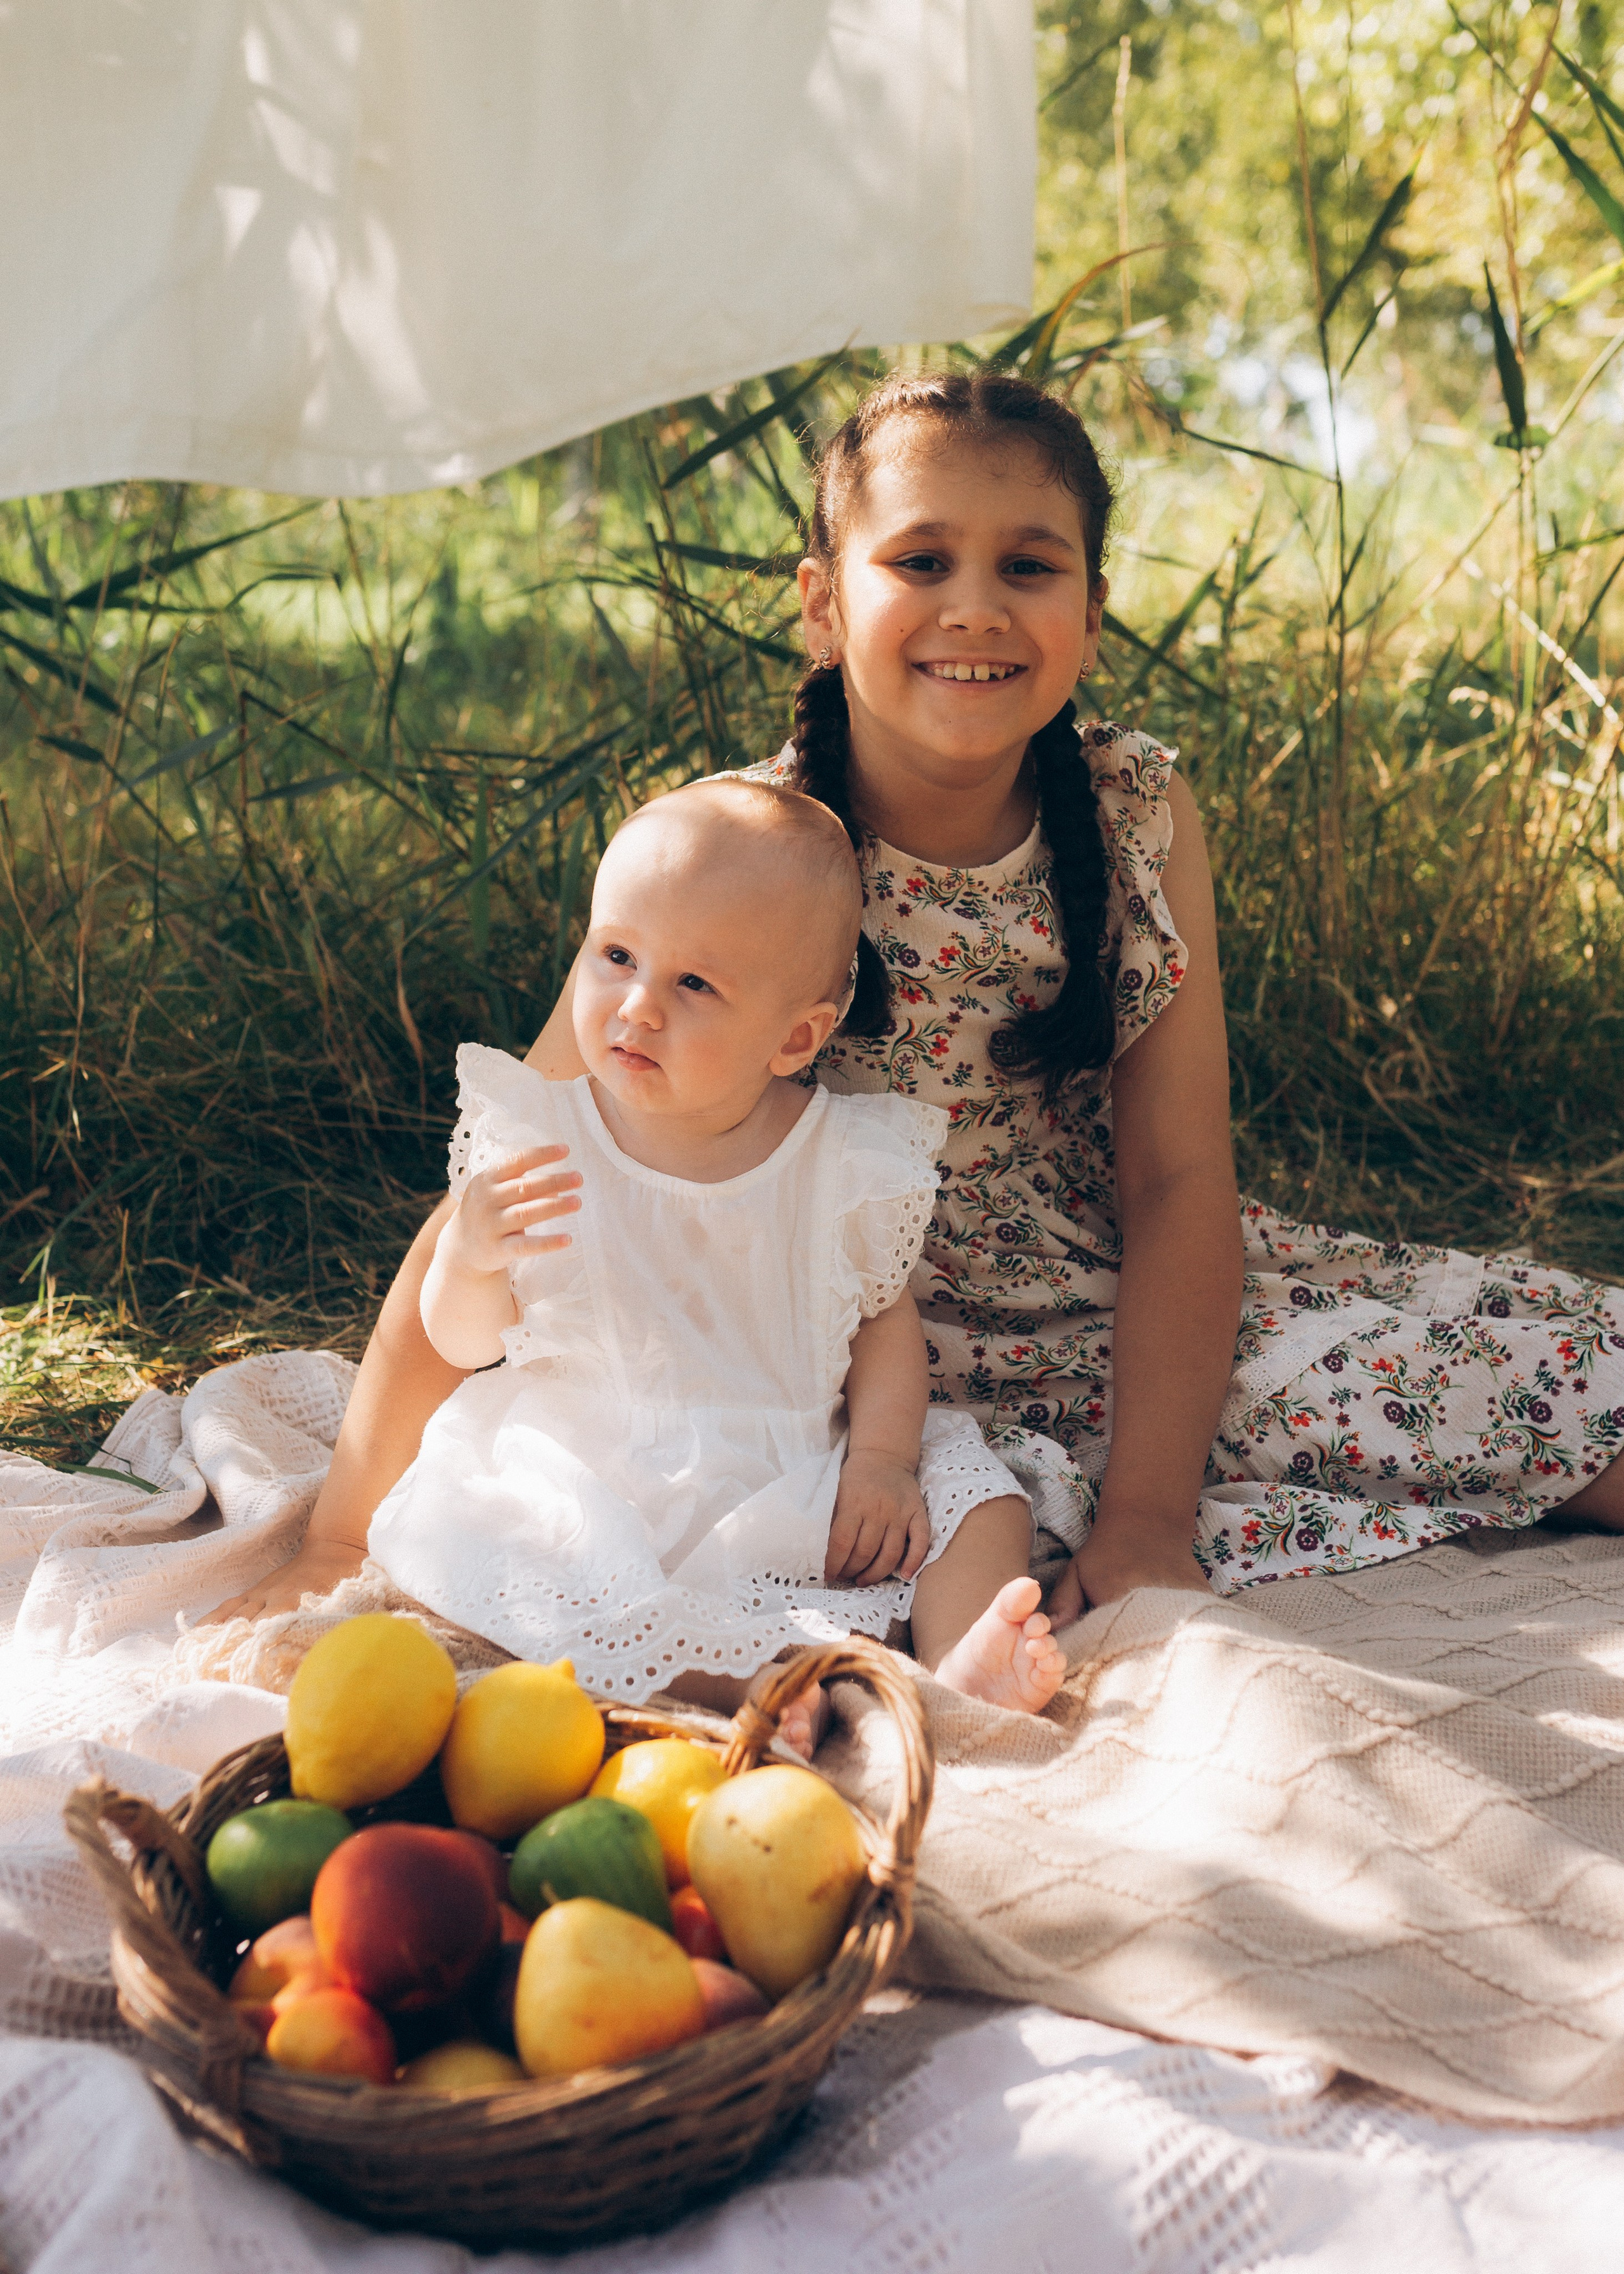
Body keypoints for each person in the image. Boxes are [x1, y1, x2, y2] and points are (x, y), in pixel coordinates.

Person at [210, 366, 1624, 1652]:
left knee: (1544, 1366)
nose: (975, 606)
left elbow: (1183, 1180)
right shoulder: (749, 858)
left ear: (1087, 604)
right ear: (823, 603)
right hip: (862, 1338)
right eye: (919, 559)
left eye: (1027, 565)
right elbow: (515, 1162)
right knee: (1287, 1430)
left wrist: (1146, 1517)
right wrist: (342, 1529)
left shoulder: (1135, 808)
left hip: (1116, 1285)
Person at [362, 776, 1063, 1742]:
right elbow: (464, 1338)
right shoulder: (540, 1136)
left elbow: (883, 1322)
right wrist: (473, 1257)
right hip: (586, 1471)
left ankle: (958, 1666)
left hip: (795, 1467)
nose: (637, 1007)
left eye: (694, 985)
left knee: (976, 1491)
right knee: (508, 1550)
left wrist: (884, 1462)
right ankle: (743, 1684)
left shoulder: (839, 1162)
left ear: (796, 1037)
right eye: (616, 956)